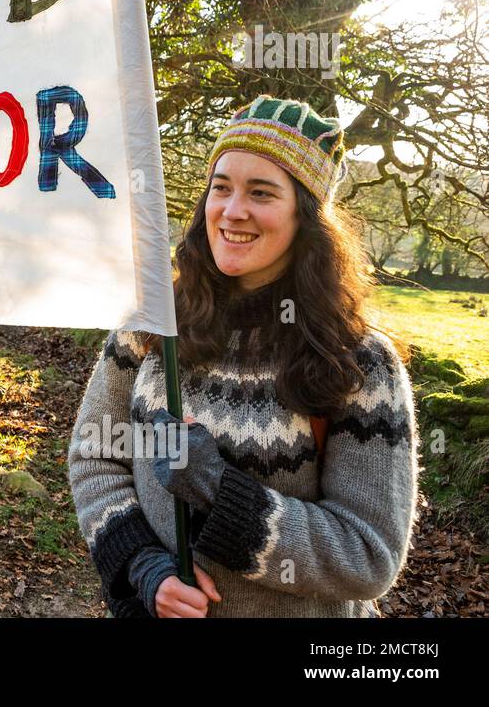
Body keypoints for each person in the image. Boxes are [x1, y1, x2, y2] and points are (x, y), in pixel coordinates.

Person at [68, 96, 418, 618]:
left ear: (305, 217)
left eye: (262, 192)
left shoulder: (358, 362)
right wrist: (144, 566)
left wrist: (220, 491)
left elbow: (369, 555)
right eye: (221, 188)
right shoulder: (149, 329)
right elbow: (94, 457)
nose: (233, 211)